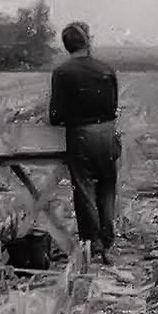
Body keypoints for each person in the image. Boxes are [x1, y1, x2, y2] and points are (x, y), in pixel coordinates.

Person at [48, 21, 121, 264]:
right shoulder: (106, 70)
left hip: (81, 136)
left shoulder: (62, 73)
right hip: (107, 135)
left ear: (67, 46)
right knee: (107, 188)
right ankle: (108, 242)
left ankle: (94, 244)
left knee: (85, 190)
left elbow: (55, 115)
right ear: (88, 40)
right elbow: (113, 108)